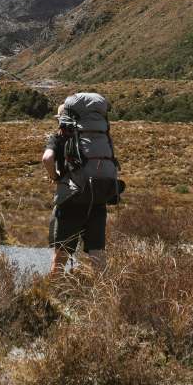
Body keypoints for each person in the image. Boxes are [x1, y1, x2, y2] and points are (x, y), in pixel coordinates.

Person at [42, 94, 120, 275]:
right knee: (97, 253)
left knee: (60, 255)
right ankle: (105, 295)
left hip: (71, 199)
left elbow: (47, 158)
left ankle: (55, 292)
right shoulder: (100, 136)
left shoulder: (59, 137)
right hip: (98, 197)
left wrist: (54, 176)